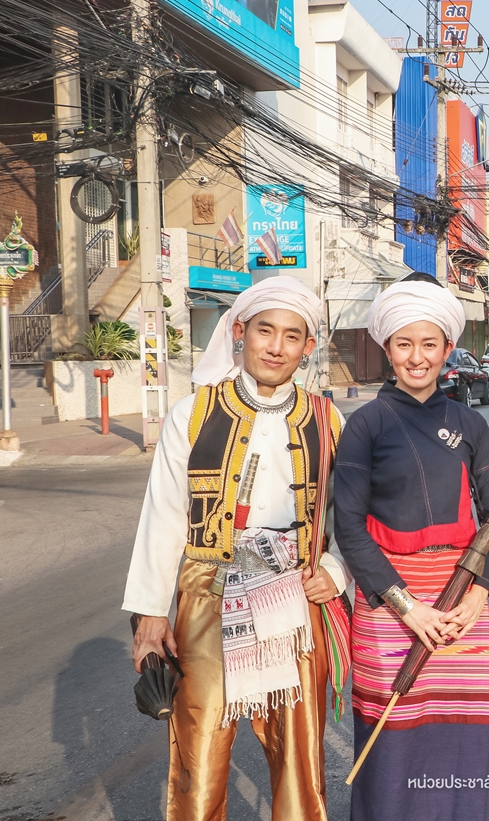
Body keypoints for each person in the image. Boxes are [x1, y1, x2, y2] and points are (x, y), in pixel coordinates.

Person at [123, 276, 349, 818]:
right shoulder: (193, 413)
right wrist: (151, 614)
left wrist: (337, 570)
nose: (276, 346)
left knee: (300, 752)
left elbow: (351, 514)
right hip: (208, 591)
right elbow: (163, 516)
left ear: (308, 347)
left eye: (292, 336)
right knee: (200, 745)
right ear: (240, 333)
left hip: (297, 596)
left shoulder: (328, 418)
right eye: (265, 332)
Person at [333, 281, 489, 820]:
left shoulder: (470, 423)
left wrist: (479, 596)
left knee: (460, 733)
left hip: (459, 602)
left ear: (446, 348)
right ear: (387, 349)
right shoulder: (365, 424)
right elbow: (348, 525)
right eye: (404, 344)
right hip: (390, 606)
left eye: (429, 344)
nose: (418, 357)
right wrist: (407, 607)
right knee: (393, 733)